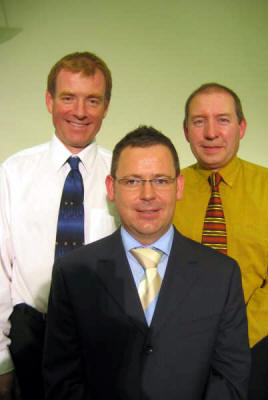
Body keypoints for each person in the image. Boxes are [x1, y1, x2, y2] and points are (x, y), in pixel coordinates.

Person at [43, 126, 250, 400]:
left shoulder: (222, 274)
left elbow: (231, 378)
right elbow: (61, 381)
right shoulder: (73, 273)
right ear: (111, 188)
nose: (148, 194)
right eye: (132, 181)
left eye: (161, 180)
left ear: (179, 186)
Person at [0, 52, 118, 400]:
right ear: (50, 100)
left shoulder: (122, 175)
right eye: (68, 97)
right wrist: (3, 362)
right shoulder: (13, 173)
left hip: (102, 338)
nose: (79, 112)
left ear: (106, 106)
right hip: (31, 335)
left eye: (92, 100)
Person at [173, 83, 268, 400]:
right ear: (186, 130)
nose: (211, 133)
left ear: (241, 127)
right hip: (177, 341)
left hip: (249, 342)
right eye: (199, 121)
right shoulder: (169, 187)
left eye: (223, 120)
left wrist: (240, 334)